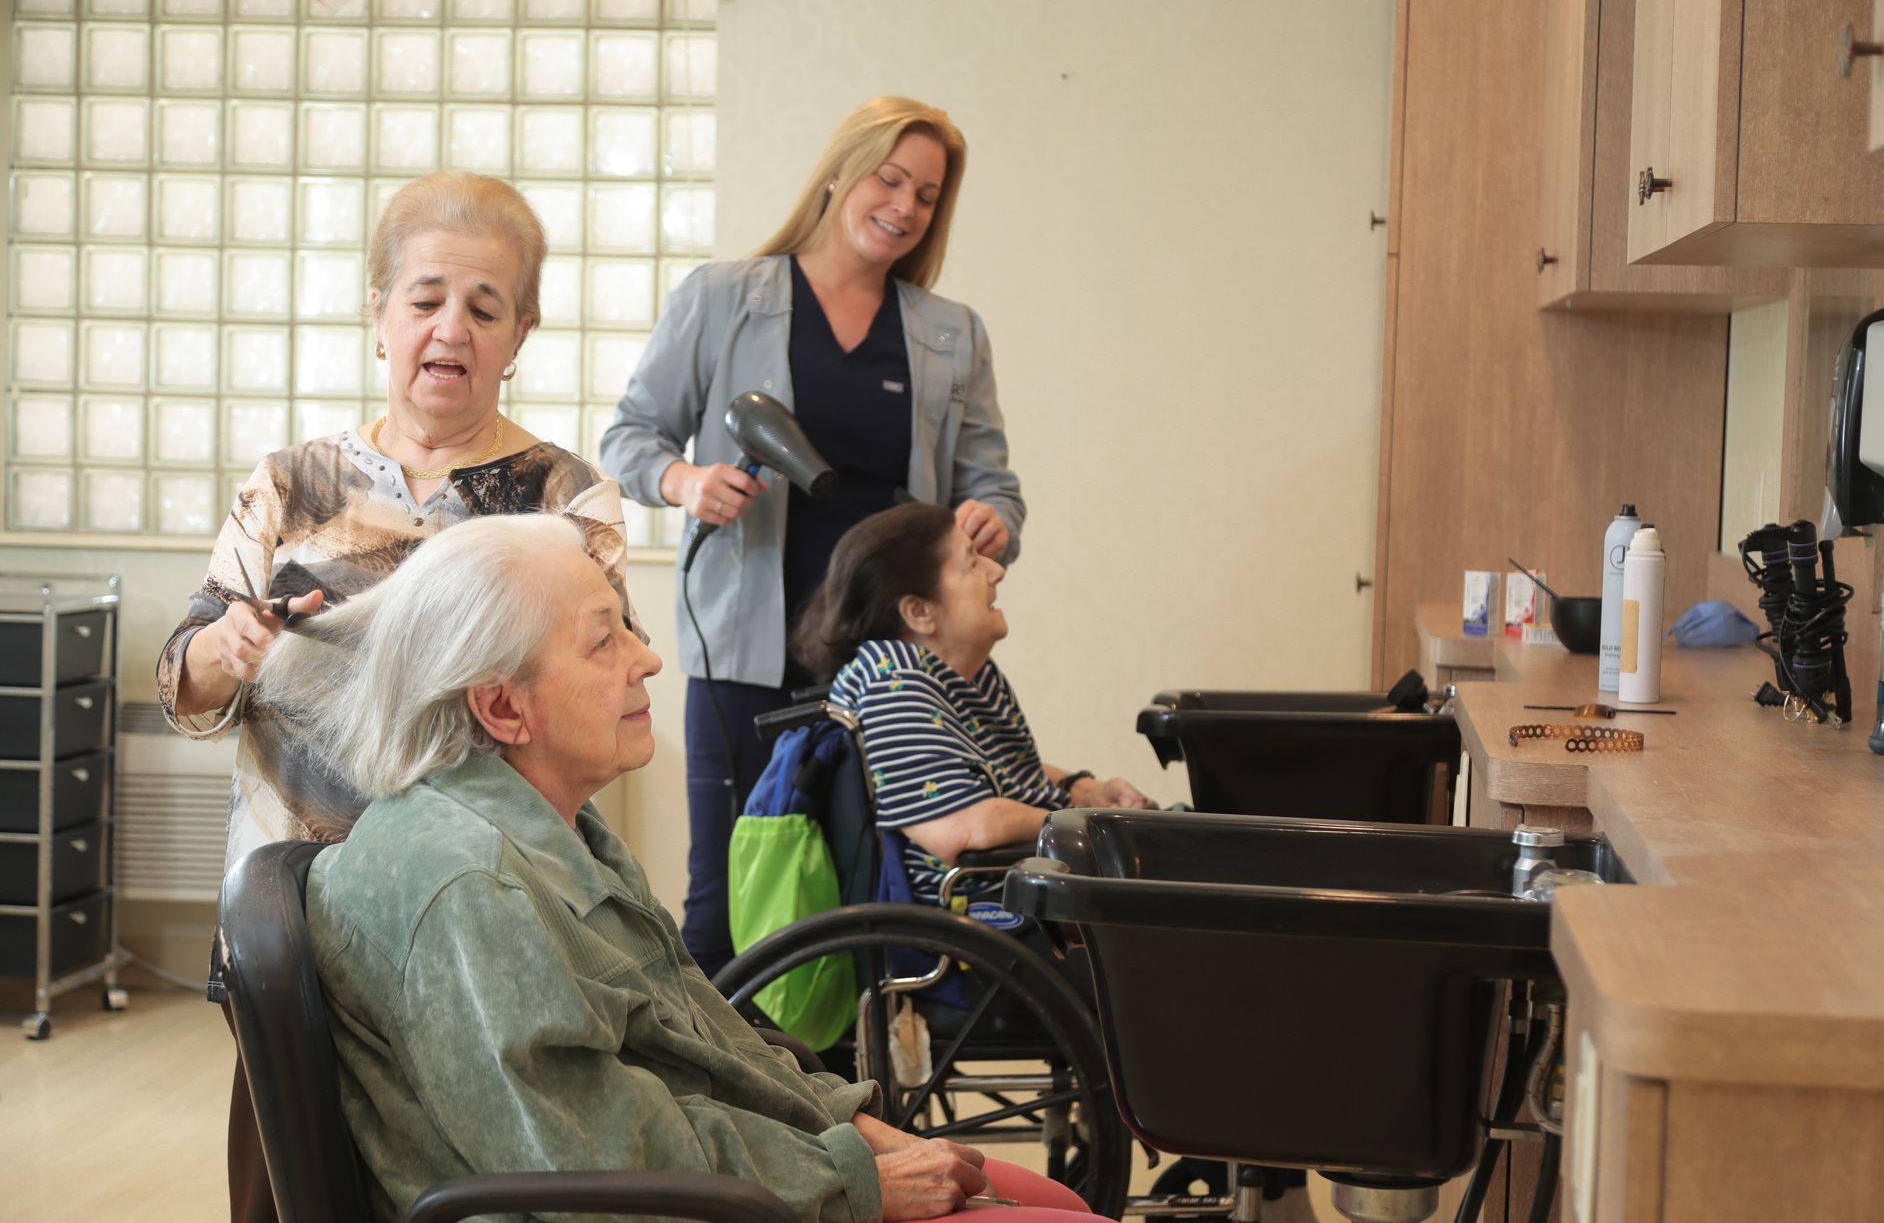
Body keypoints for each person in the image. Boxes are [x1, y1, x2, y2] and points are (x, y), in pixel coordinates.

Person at [252, 514, 1097, 1223]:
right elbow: (589, 1162)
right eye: (604, 639)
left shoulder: (563, 837)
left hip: (717, 1182)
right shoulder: (472, 886)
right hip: (655, 1208)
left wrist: (867, 1136)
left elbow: (710, 1048)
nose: (648, 659)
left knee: (1048, 1196)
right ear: (503, 707)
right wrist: (853, 1180)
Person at [155, 170, 631, 1223]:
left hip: (473, 922)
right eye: (424, 298)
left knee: (471, 1187)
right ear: (379, 313)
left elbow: (594, 704)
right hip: (294, 916)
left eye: (484, 305)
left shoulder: (567, 499)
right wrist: (227, 650)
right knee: (287, 1189)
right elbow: (182, 682)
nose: (449, 326)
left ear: (520, 331)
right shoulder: (293, 484)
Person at [600, 97, 1026, 975]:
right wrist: (687, 481)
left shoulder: (950, 334)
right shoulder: (724, 299)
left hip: (886, 664)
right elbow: (631, 438)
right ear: (839, 172)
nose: (905, 207)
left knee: (866, 895)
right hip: (743, 653)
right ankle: (719, 1095)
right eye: (890, 178)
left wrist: (994, 523)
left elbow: (993, 486)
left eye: (928, 195)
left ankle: (843, 1101)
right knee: (731, 896)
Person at [792, 504, 1153, 907]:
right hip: (982, 917)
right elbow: (961, 827)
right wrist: (1094, 826)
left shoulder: (958, 670)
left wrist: (1083, 789)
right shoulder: (893, 682)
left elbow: (992, 770)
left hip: (1023, 890)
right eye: (971, 562)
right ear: (919, 611)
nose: (996, 571)